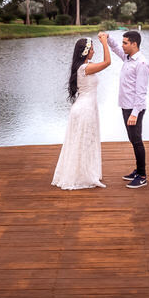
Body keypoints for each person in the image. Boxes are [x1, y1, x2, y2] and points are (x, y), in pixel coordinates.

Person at [51, 32, 112, 190]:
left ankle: (83, 173)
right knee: (83, 142)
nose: (94, 51)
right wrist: (104, 42)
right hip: (84, 109)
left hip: (85, 107)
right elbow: (107, 62)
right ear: (85, 51)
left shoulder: (82, 67)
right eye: (92, 49)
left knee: (83, 142)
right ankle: (81, 175)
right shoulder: (85, 68)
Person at [111, 30, 149, 188]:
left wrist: (134, 113)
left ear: (134, 44)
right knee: (133, 140)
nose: (122, 45)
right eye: (122, 42)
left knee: (137, 141)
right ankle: (138, 170)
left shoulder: (141, 64)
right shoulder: (128, 58)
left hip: (135, 109)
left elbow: (141, 92)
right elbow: (116, 49)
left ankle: (142, 176)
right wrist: (107, 39)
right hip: (125, 106)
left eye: (125, 43)